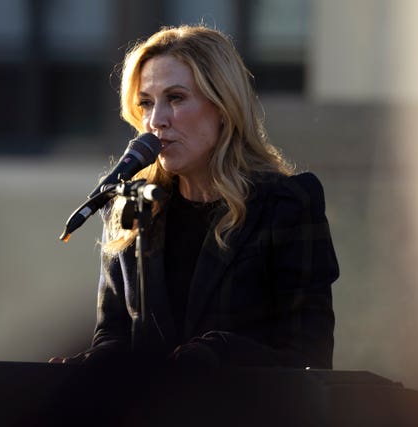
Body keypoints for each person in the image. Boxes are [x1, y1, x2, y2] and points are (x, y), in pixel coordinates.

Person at [51, 24, 339, 371]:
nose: (156, 120)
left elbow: (309, 357)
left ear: (222, 106)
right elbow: (114, 338)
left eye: (175, 98)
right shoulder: (129, 206)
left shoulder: (286, 204)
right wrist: (77, 371)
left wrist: (217, 354)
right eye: (145, 103)